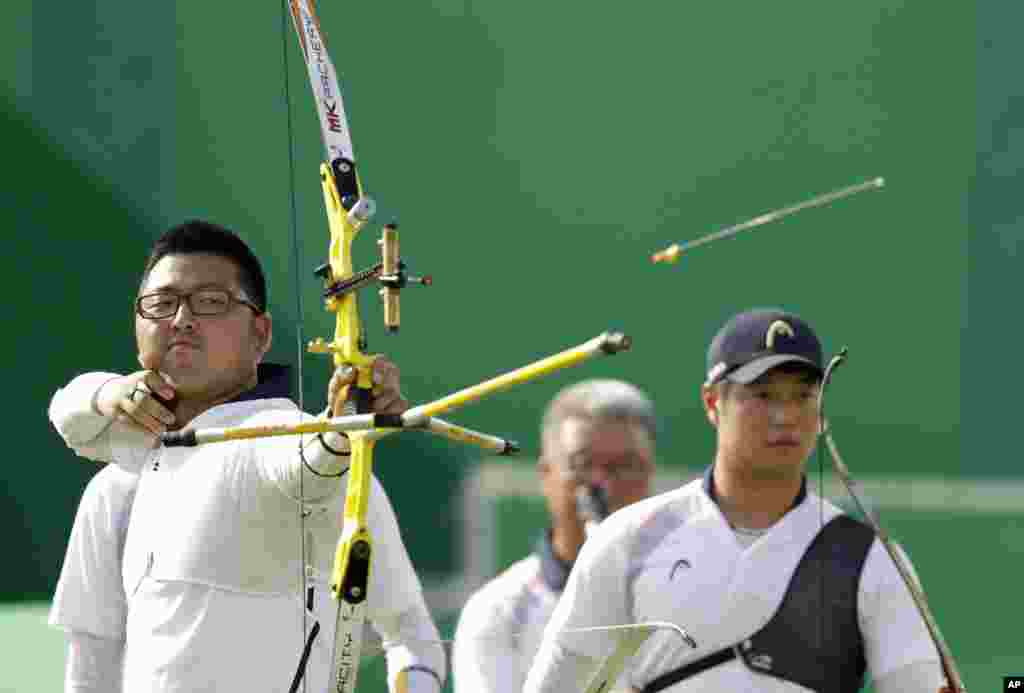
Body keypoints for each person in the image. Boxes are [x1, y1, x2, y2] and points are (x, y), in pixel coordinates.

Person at [48, 220, 445, 692]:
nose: (181, 320)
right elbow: (90, 664)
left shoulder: (298, 449)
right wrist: (107, 391)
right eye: (162, 303)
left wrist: (342, 428)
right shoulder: (116, 487)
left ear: (261, 334)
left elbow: (412, 639)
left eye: (211, 302)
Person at [523, 308, 946, 693]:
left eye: (802, 396)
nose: (785, 416)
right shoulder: (629, 538)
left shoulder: (871, 558)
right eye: (762, 395)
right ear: (712, 402)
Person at [453, 379, 657, 693]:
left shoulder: (693, 585)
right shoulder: (498, 614)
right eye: (583, 464)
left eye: (625, 466)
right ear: (546, 474)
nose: (603, 485)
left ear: (649, 473)